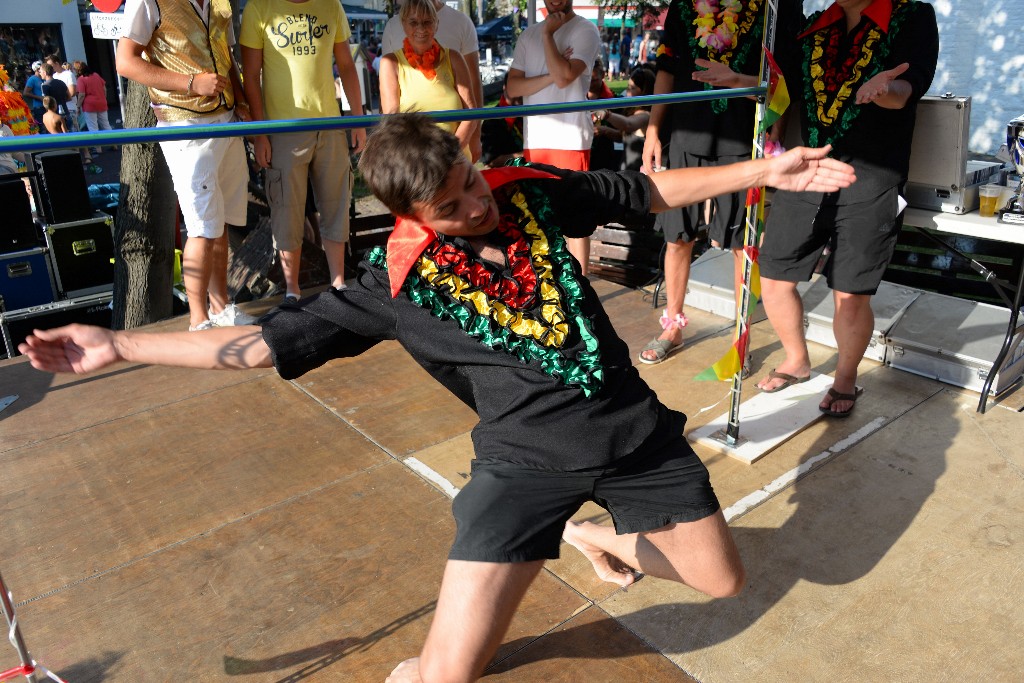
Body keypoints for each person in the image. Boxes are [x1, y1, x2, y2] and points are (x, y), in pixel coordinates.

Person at [19, 113, 857, 683]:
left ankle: (589, 529)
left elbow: (646, 192)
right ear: (410, 214)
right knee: (445, 674)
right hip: (524, 464)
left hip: (633, 432)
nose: (476, 203)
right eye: (452, 207)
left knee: (722, 579)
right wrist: (121, 341)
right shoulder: (391, 287)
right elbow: (252, 347)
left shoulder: (526, 190)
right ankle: (549, 525)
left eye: (471, 182)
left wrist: (767, 171)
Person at [755, 0, 939, 417]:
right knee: (774, 273)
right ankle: (796, 360)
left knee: (850, 294)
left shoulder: (912, 16)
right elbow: (791, 88)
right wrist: (743, 80)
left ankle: (844, 379)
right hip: (810, 167)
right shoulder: (816, 24)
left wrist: (884, 89)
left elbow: (908, 90)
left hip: (872, 176)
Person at [639, 0, 799, 365]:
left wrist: (776, 136)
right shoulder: (684, 6)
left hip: (744, 139)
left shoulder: (774, 6)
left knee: (742, 243)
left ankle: (741, 337)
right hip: (685, 133)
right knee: (676, 236)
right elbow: (666, 68)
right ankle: (673, 326)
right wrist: (652, 131)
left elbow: (785, 77)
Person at [116, 0, 258, 331]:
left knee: (218, 222)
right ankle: (198, 319)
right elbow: (125, 61)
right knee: (201, 226)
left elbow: (227, 58)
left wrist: (242, 103)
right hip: (187, 128)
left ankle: (220, 309)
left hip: (226, 120)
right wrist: (191, 83)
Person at [240, 0, 367, 304]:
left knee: (336, 202)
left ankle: (338, 283)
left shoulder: (331, 5)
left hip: (328, 122)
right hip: (283, 127)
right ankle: (292, 289)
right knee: (286, 208)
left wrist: (357, 118)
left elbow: (346, 65)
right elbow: (251, 76)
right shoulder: (259, 8)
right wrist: (260, 134)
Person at [508, 0, 601, 274]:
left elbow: (564, 78)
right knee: (540, 215)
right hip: (535, 138)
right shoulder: (528, 34)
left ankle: (581, 287)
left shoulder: (585, 29)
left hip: (569, 136)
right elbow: (513, 86)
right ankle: (550, 283)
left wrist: (548, 36)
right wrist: (551, 74)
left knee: (576, 218)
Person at [381, 0, 482, 159]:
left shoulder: (453, 57)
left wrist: (450, 153)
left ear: (436, 24)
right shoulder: (390, 63)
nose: (420, 28)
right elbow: (393, 121)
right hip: (416, 162)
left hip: (455, 158)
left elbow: (471, 114)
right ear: (403, 24)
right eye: (413, 22)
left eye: (427, 22)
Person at [593, 65, 657, 172]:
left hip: (637, 172)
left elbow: (628, 125)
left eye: (632, 88)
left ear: (644, 91)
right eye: (627, 87)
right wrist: (604, 130)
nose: (627, 92)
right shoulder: (635, 111)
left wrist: (606, 114)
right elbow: (622, 136)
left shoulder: (646, 115)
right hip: (627, 169)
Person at [74, 61, 112, 156]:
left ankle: (97, 148)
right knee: (105, 124)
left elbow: (82, 94)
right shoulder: (96, 75)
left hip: (89, 105)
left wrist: (78, 106)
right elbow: (104, 89)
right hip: (101, 102)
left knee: (93, 127)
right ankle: (114, 143)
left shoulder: (81, 79)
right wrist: (104, 98)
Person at [45, 54, 79, 133]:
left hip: (69, 109)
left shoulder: (68, 74)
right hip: (57, 111)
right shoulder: (53, 76)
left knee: (74, 133)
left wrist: (59, 101)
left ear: (57, 63)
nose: (49, 68)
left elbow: (72, 92)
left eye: (50, 65)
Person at [22, 60, 44, 126]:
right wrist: (39, 97)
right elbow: (25, 93)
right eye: (41, 68)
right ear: (37, 69)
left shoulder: (44, 77)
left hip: (48, 106)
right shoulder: (32, 79)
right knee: (42, 127)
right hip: (39, 107)